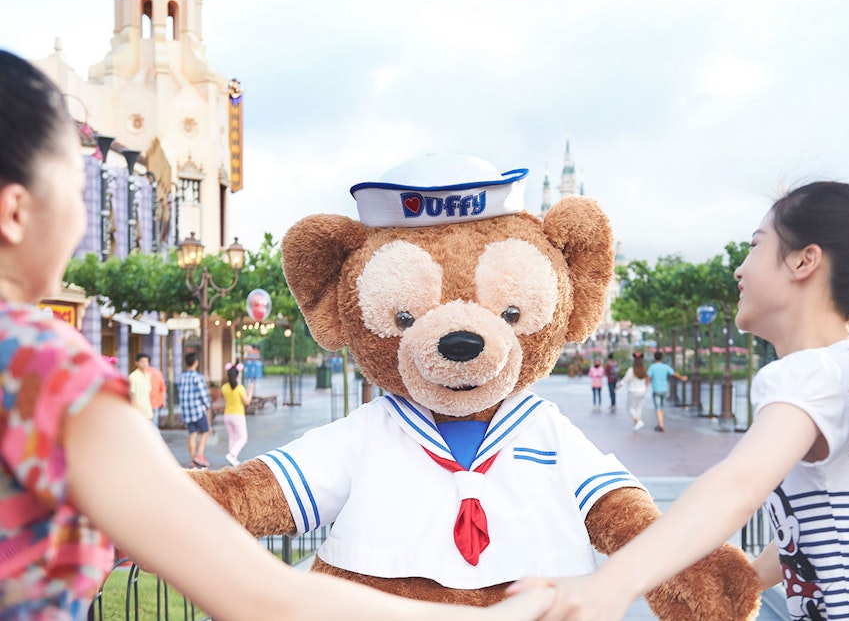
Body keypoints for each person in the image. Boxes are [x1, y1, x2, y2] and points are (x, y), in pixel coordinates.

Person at [0, 49, 552, 621]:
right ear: (15, 211)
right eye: (73, 190)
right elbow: (259, 594)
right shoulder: (39, 369)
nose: (81, 220)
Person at [511, 181, 849, 620]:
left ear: (804, 261)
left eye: (755, 245)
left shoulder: (811, 375)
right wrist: (746, 578)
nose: (739, 269)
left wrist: (608, 586)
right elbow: (826, 523)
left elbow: (735, 487)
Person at [177, 352, 212, 468]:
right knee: (205, 431)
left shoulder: (181, 377)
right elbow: (203, 394)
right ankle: (199, 455)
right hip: (197, 410)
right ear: (196, 363)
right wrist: (208, 405)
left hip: (186, 411)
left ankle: (193, 459)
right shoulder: (197, 377)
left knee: (192, 433)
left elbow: (180, 394)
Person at [646, 351, 687, 432]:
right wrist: (682, 377)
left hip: (656, 389)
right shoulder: (666, 367)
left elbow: (648, 377)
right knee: (662, 407)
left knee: (657, 407)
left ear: (654, 358)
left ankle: (660, 424)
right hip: (664, 389)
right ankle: (660, 423)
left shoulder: (652, 367)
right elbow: (674, 373)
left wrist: (646, 385)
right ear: (662, 358)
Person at [221, 364, 253, 466]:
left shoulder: (224, 388)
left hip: (227, 415)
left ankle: (233, 459)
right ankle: (232, 455)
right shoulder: (240, 388)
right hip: (238, 415)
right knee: (243, 437)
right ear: (237, 376)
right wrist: (250, 390)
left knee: (232, 437)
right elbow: (247, 402)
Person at [617, 352, 650, 431]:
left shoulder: (631, 370)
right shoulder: (644, 370)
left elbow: (625, 380)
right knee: (639, 407)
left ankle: (638, 421)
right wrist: (646, 388)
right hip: (642, 391)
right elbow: (647, 380)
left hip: (633, 391)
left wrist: (618, 387)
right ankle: (637, 424)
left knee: (630, 408)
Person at [128, 352, 154, 421]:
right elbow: (131, 395)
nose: (145, 364)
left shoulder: (147, 376)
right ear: (136, 363)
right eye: (142, 361)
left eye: (146, 361)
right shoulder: (133, 376)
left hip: (147, 410)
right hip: (137, 411)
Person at [146, 354, 167, 427]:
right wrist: (163, 400)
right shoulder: (157, 372)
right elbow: (163, 388)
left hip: (146, 402)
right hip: (155, 402)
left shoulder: (142, 373)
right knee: (154, 425)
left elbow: (162, 387)